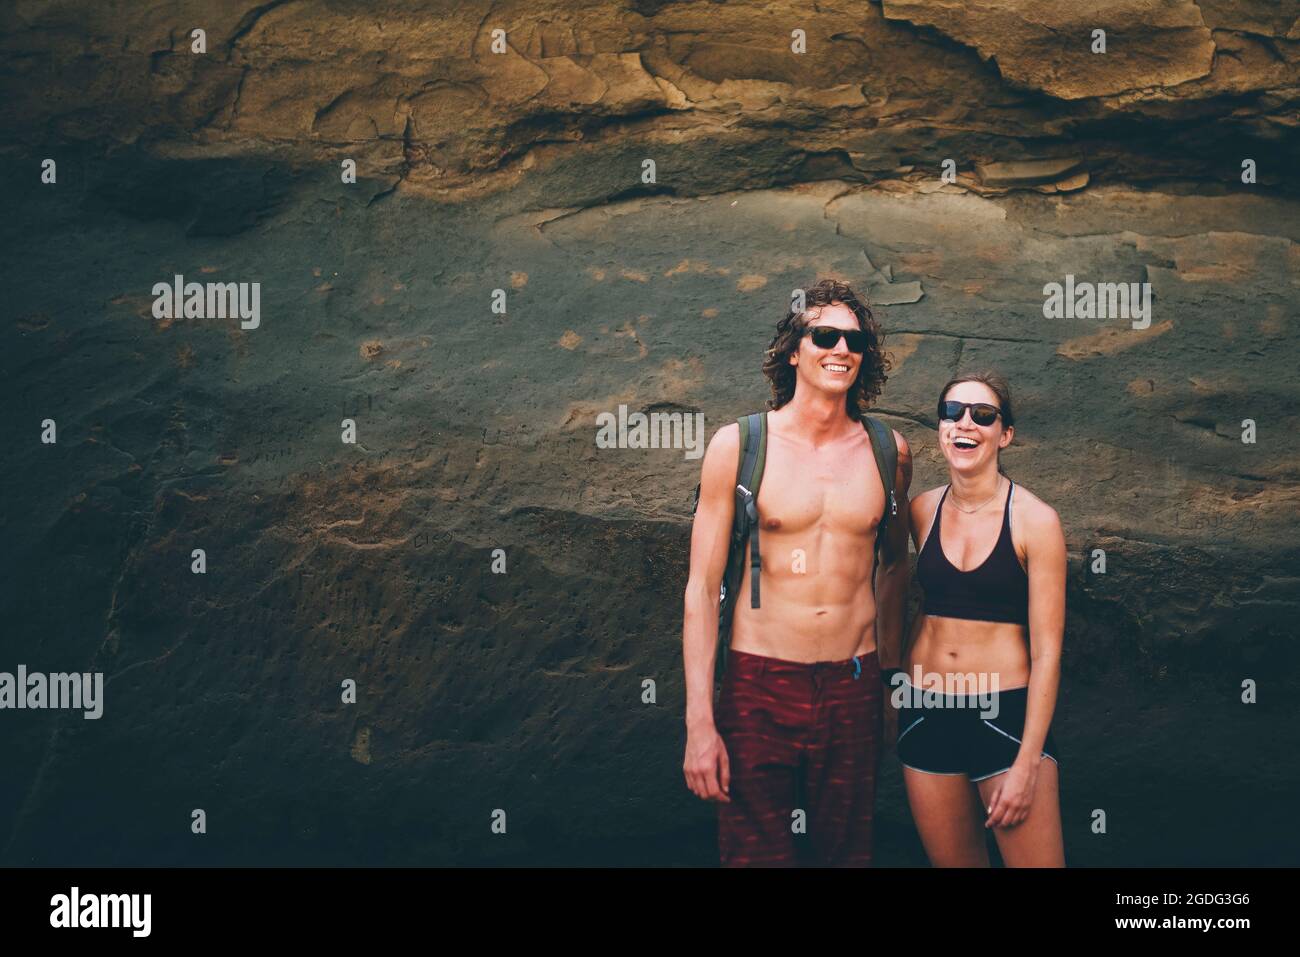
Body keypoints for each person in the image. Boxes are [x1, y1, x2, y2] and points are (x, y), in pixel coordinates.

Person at [682, 278, 912, 866]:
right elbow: (703, 591)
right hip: (760, 682)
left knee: (847, 853)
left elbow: (893, 568)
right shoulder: (739, 445)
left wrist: (890, 681)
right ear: (794, 350)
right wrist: (700, 724)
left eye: (855, 341)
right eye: (825, 336)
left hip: (853, 683)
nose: (841, 350)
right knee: (756, 855)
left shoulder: (890, 451)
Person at [893, 372, 1065, 866]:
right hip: (924, 710)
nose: (965, 423)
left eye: (983, 415)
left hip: (1003, 719)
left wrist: (1029, 760)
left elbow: (1048, 650)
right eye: (952, 412)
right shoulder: (922, 511)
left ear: (1004, 433)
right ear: (941, 426)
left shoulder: (1035, 520)